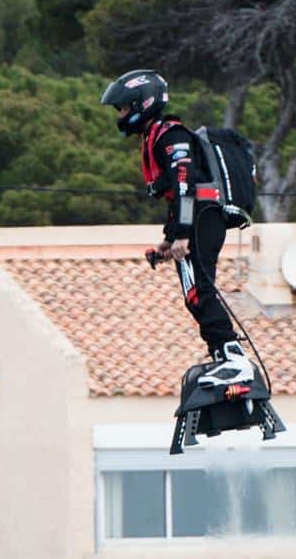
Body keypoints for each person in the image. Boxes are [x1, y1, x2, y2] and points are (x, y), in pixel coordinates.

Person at [100, 69, 251, 384]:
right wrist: (169, 241)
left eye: (125, 107)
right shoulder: (156, 135)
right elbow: (176, 198)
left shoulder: (170, 134)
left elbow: (185, 185)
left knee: (199, 290)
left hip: (205, 215)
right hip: (195, 217)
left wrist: (183, 232)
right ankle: (222, 354)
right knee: (194, 293)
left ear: (143, 103)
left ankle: (235, 360)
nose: (122, 114)